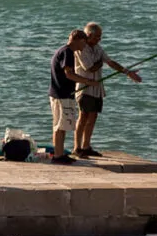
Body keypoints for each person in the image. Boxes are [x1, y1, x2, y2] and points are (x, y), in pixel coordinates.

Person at [73, 22, 142, 157]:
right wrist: (100, 63)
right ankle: (77, 148)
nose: (100, 39)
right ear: (89, 35)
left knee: (93, 116)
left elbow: (110, 62)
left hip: (97, 89)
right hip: (84, 88)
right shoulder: (81, 49)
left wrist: (127, 72)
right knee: (83, 117)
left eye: (100, 36)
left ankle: (86, 146)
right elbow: (90, 67)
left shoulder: (98, 48)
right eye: (97, 36)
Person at [48, 29, 85, 164]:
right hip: (61, 95)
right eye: (84, 43)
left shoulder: (63, 51)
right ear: (79, 40)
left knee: (61, 125)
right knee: (60, 126)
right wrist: (88, 81)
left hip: (60, 94)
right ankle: (58, 156)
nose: (84, 46)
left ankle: (59, 152)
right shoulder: (68, 52)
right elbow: (69, 74)